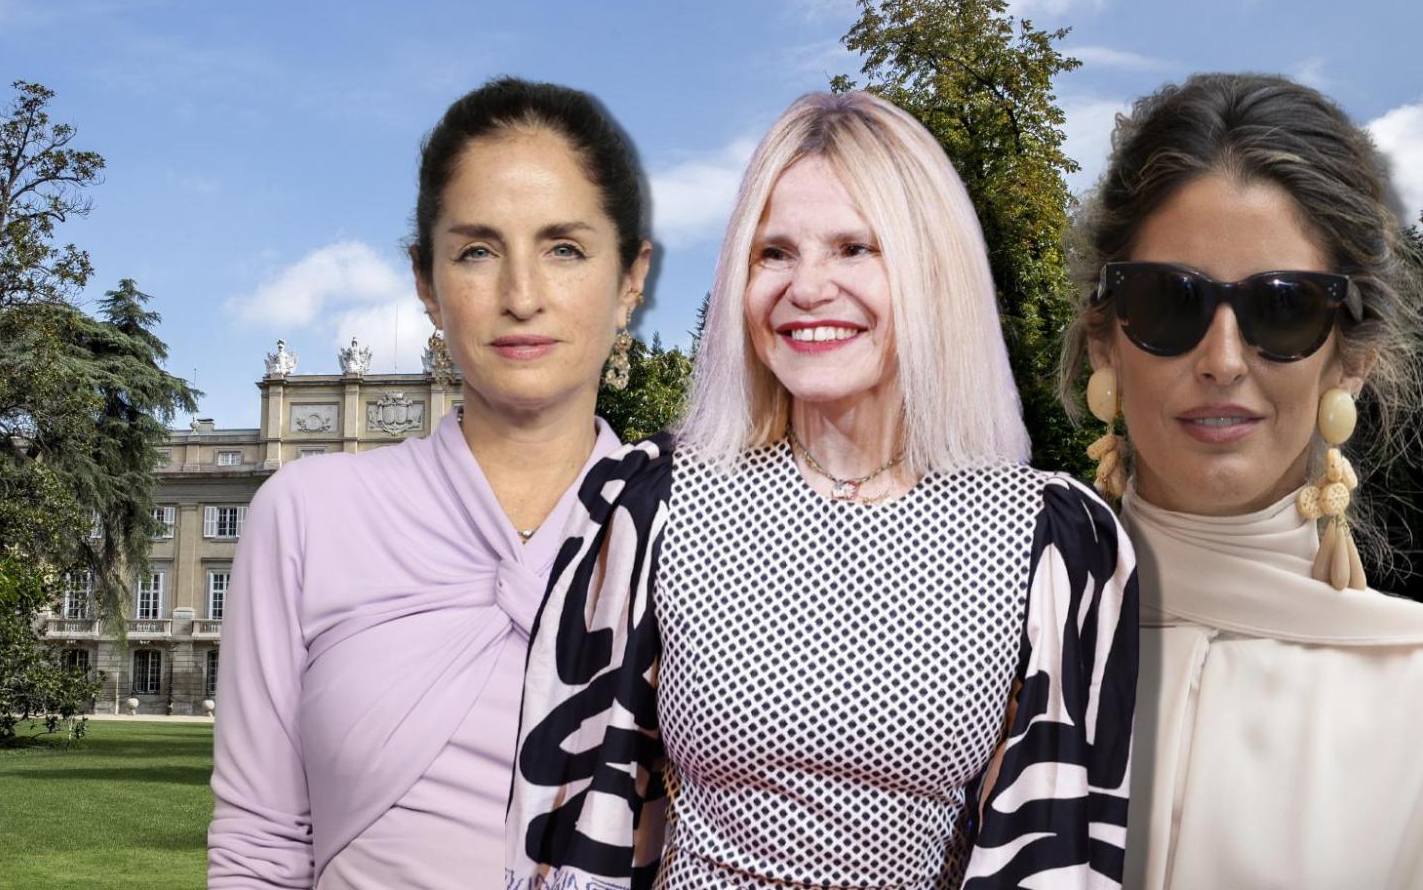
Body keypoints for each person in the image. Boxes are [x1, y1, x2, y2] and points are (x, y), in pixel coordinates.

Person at [506, 91, 1137, 890]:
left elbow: (1057, 856)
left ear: (929, 269)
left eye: (852, 248)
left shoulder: (1051, 540)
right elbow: (568, 833)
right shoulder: (649, 503)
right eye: (774, 253)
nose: (807, 287)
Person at [208, 77, 651, 888]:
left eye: (565, 248)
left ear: (631, 279)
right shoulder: (308, 513)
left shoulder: (692, 524)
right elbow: (259, 847)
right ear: (425, 282)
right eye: (478, 250)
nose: (522, 297)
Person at [1057, 72, 1423, 888]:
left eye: (1283, 309)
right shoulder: (997, 647)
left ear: (1351, 359)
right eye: (1167, 302)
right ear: (1106, 341)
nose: (1222, 361)